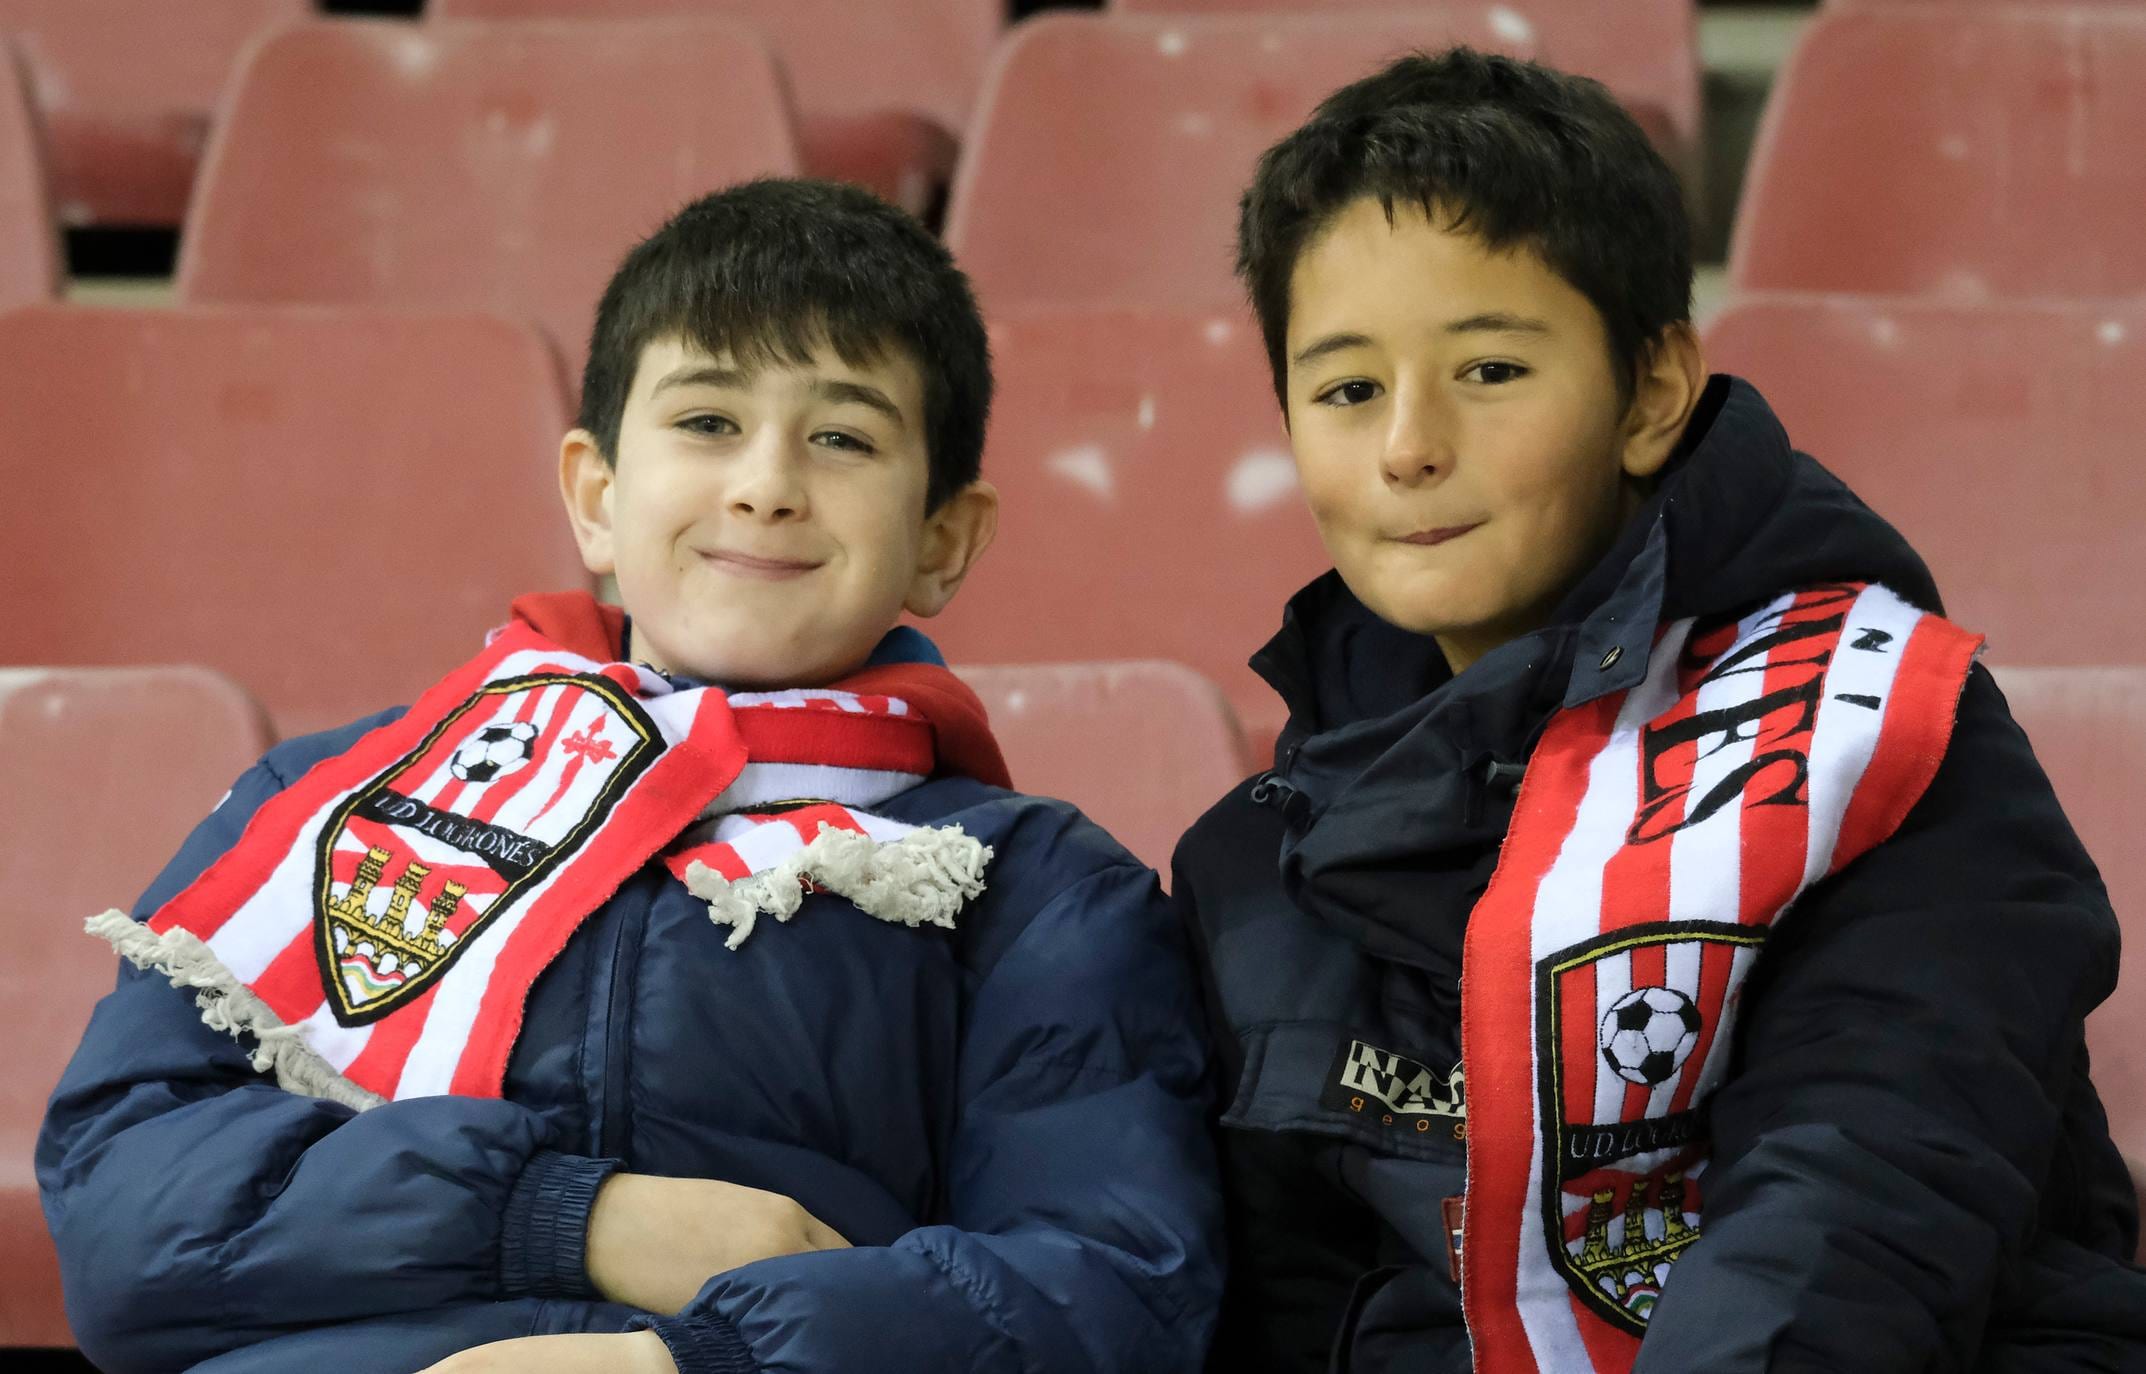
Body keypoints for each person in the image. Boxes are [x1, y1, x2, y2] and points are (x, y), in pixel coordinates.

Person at [38, 178, 1222, 1374]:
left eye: (844, 437)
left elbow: (1105, 1291)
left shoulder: (1025, 887)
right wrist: (566, 1219)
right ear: (596, 496)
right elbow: (121, 1227)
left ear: (941, 539)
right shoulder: (330, 804)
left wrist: (696, 1364)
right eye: (708, 422)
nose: (764, 482)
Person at [1173, 49, 2146, 1374]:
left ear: (1648, 392)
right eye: (1345, 389)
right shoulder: (1255, 862)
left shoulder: (1872, 731)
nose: (1406, 443)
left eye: (1490, 371)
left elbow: (1857, 1197)